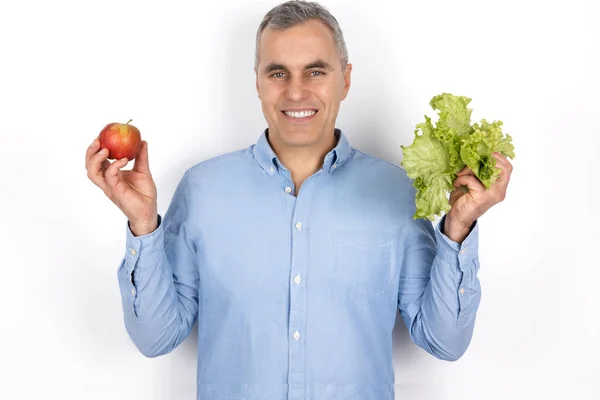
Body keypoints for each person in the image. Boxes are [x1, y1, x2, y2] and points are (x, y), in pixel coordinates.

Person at [85, 1, 513, 399]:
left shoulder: (396, 191)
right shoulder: (203, 189)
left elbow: (445, 341)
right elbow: (155, 337)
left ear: (345, 80)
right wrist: (143, 224)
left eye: (315, 71)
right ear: (257, 82)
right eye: (277, 73)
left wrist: (458, 228)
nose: (296, 92)